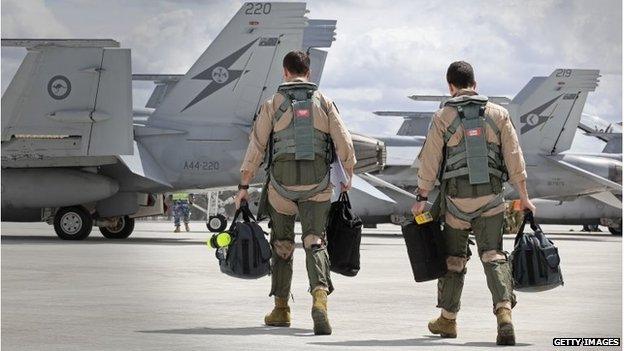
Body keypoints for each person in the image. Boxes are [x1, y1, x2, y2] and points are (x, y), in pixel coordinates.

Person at [412, 61, 536, 345]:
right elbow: (515, 157)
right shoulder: (499, 113)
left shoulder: (443, 116)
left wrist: (421, 197)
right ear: (475, 84)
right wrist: (525, 197)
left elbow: (430, 162)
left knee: (454, 260)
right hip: (491, 199)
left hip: (456, 202)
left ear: (450, 86)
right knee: (493, 255)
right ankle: (504, 314)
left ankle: (448, 320)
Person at [234, 50, 356, 335]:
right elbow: (344, 142)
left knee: (282, 245)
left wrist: (243, 185)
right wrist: (348, 174)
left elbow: (256, 147)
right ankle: (320, 302)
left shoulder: (272, 103)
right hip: (317, 186)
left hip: (281, 187)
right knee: (315, 241)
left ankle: (280, 309)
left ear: (285, 72)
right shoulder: (324, 102)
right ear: (309, 73)